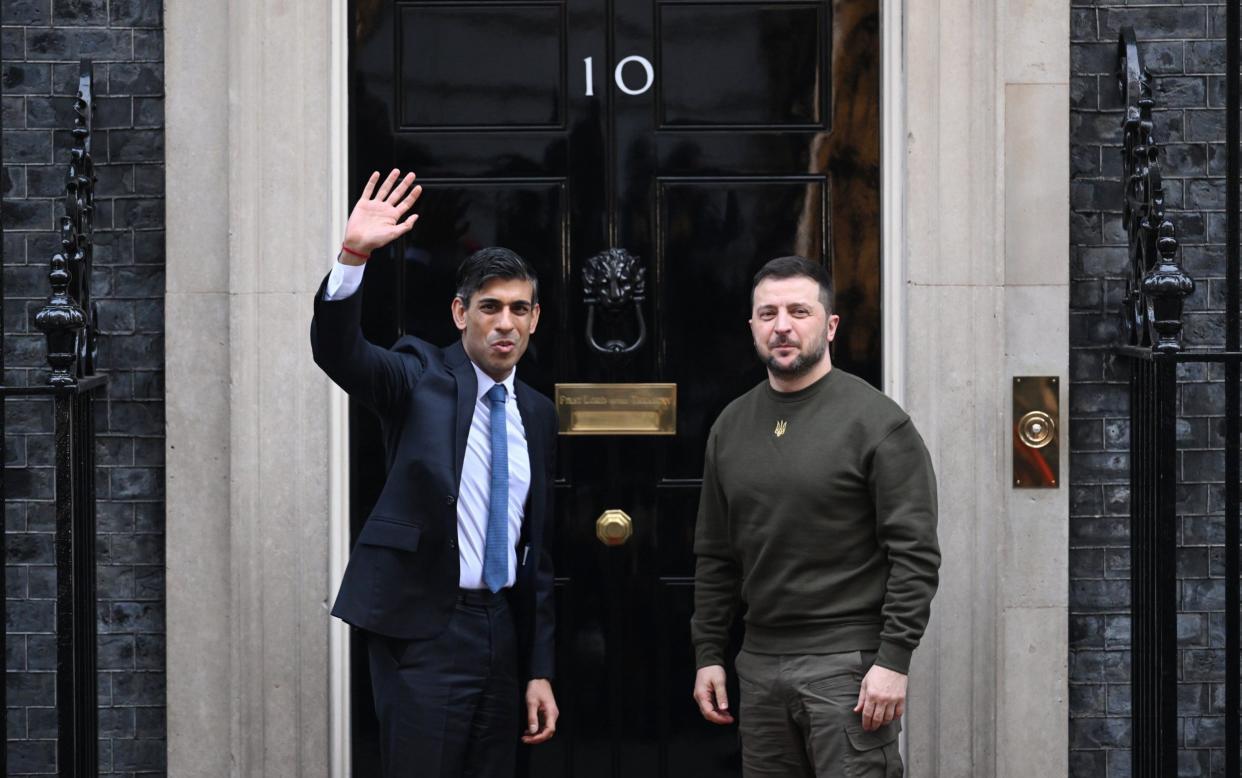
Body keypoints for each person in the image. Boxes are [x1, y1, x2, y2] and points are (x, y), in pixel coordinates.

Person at [311, 169, 559, 778]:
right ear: (460, 313)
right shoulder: (417, 375)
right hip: (425, 630)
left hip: (501, 630)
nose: (505, 323)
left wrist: (540, 668)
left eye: (518, 309)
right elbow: (340, 353)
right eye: (490, 307)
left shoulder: (538, 412)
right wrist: (353, 256)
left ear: (534, 320)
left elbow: (539, 553)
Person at [690, 256, 940, 777]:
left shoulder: (878, 424)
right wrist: (709, 652)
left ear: (829, 326)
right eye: (768, 313)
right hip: (758, 668)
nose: (782, 325)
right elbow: (716, 555)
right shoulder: (730, 426)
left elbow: (914, 555)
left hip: (847, 672)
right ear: (752, 327)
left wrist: (893, 660)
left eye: (799, 311)